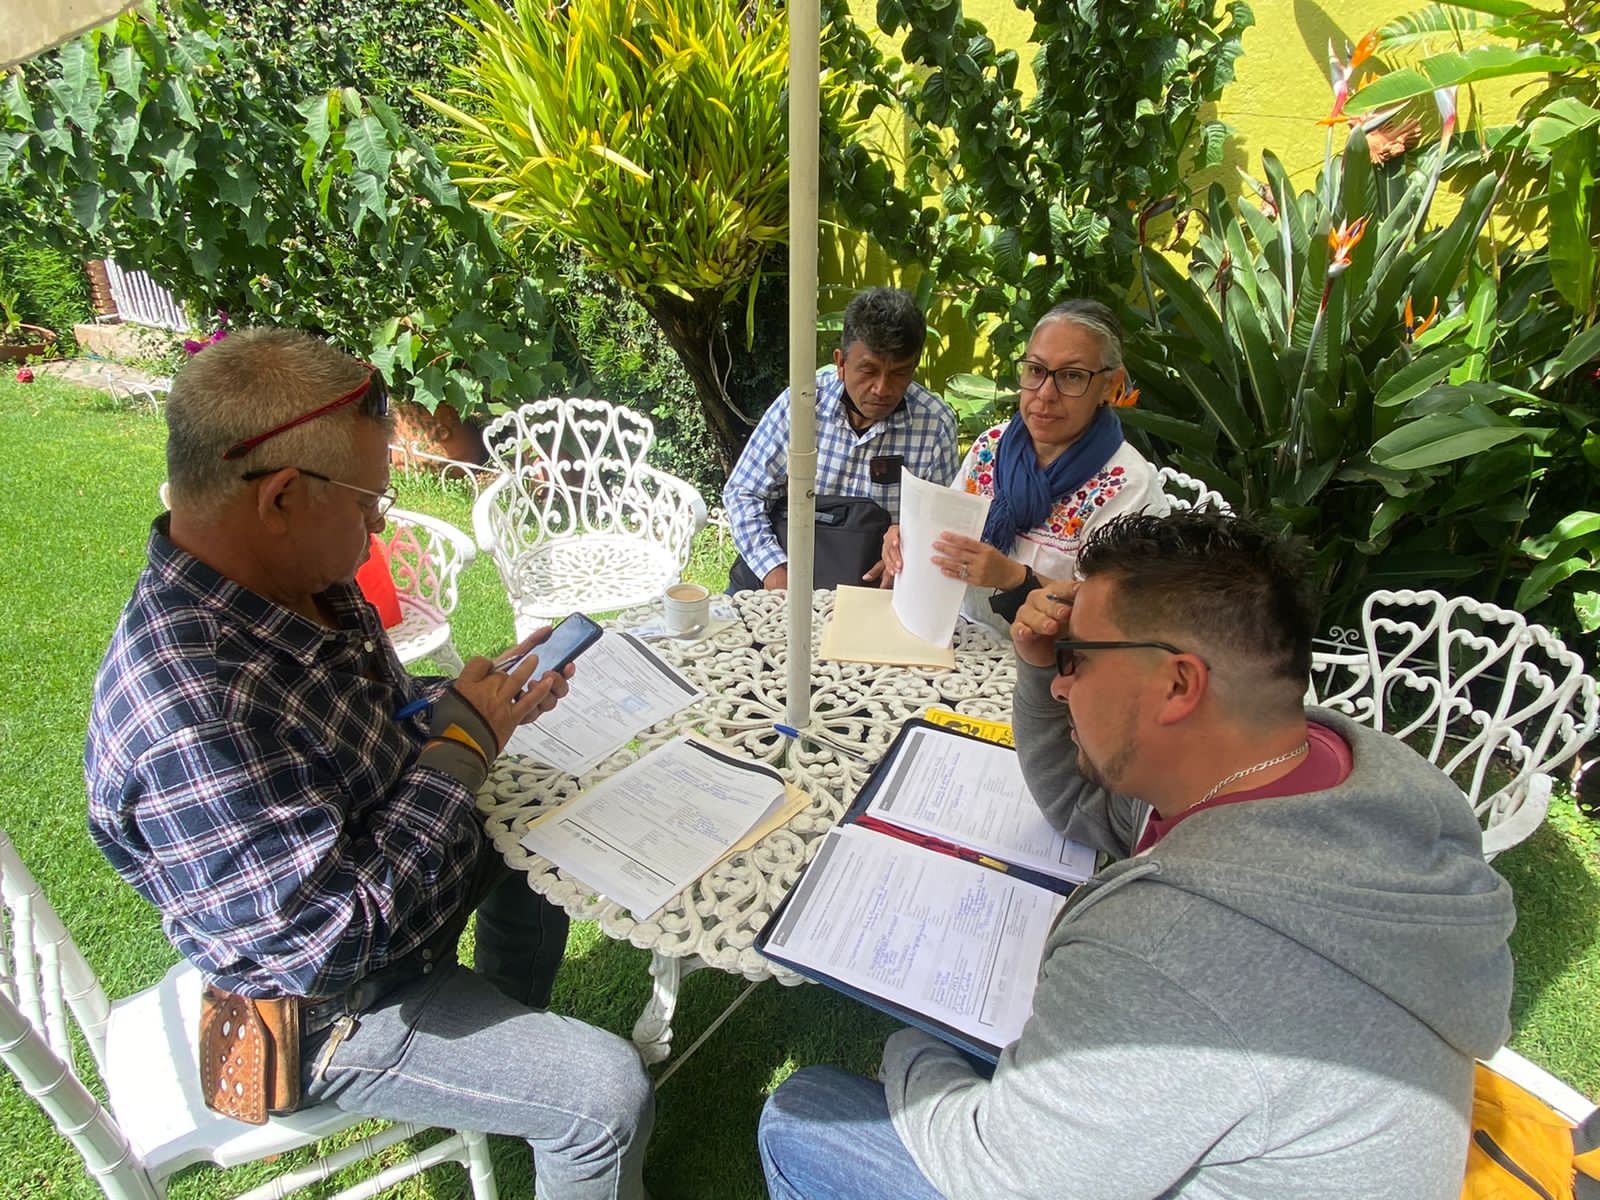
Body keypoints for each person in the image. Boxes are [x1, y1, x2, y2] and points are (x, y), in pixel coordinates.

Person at [759, 508, 1516, 1200]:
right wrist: (1038, 666)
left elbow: (1005, 1177)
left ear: (1178, 684)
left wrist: (910, 1048)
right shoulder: (1329, 768)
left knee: (804, 1113)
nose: (1062, 686)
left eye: (1077, 657)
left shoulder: (1168, 949)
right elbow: (1079, 806)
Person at [85, 328, 653, 1200]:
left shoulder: (298, 579)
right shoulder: (191, 713)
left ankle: (510, 1024)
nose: (380, 523)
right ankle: (540, 1084)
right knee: (604, 1096)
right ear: (281, 496)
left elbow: (370, 714)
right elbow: (327, 943)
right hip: (330, 1009)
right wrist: (462, 746)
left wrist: (466, 699)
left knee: (545, 819)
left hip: (393, 874)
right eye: (368, 501)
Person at [882, 298, 1167, 633]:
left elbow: (1116, 616)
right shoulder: (991, 447)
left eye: (1071, 376)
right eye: (1035, 370)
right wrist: (911, 542)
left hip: (1056, 660)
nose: (1045, 393)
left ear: (1109, 385)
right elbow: (947, 540)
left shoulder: (1127, 486)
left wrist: (1014, 577)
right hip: (962, 636)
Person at [723, 286, 959, 591]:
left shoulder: (935, 425)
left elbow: (940, 530)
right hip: (778, 575)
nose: (881, 388)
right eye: (868, 370)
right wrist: (775, 573)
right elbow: (743, 493)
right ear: (841, 363)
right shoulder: (802, 404)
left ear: (914, 367)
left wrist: (906, 555)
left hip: (872, 590)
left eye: (899, 373)